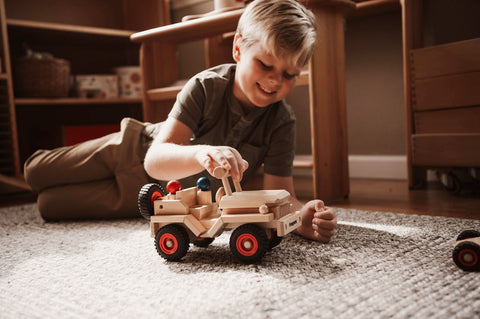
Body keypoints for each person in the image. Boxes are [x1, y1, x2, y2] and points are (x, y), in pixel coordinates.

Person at [24, 0, 336, 243]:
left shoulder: (282, 121)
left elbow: (281, 194)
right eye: (265, 64)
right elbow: (155, 161)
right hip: (131, 149)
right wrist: (202, 153)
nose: (274, 80)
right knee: (35, 172)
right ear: (238, 48)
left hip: (157, 196)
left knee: (47, 205)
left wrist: (301, 217)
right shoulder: (206, 86)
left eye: (289, 74)